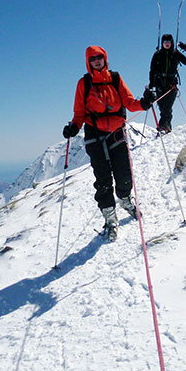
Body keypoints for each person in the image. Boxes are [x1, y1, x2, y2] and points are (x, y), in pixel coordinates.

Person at [62, 45, 155, 240]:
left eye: (100, 57)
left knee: (123, 172)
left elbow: (129, 102)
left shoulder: (115, 78)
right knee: (102, 178)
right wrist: (74, 127)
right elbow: (79, 113)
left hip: (116, 131)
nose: (97, 61)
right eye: (93, 58)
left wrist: (144, 103)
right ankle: (110, 218)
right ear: (89, 62)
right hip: (94, 133)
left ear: (105, 59)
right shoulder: (84, 83)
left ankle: (125, 199)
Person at [147, 33, 186, 133]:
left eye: (169, 42)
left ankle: (163, 127)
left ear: (172, 43)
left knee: (167, 108)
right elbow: (152, 70)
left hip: (171, 86)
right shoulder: (157, 55)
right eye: (165, 42)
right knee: (162, 108)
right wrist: (151, 86)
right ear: (162, 43)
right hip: (159, 85)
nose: (167, 44)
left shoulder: (176, 54)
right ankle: (167, 128)